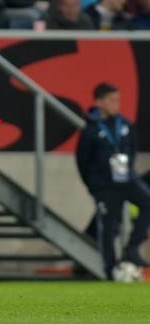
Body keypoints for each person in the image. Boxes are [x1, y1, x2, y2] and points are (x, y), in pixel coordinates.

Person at [76, 83, 150, 280]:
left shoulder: (125, 125)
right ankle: (110, 271)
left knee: (148, 202)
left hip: (126, 180)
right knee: (108, 228)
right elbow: (82, 162)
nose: (116, 104)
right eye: (111, 100)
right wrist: (95, 187)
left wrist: (128, 173)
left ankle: (132, 249)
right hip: (105, 187)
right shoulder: (90, 131)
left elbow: (132, 151)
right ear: (99, 102)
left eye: (117, 99)